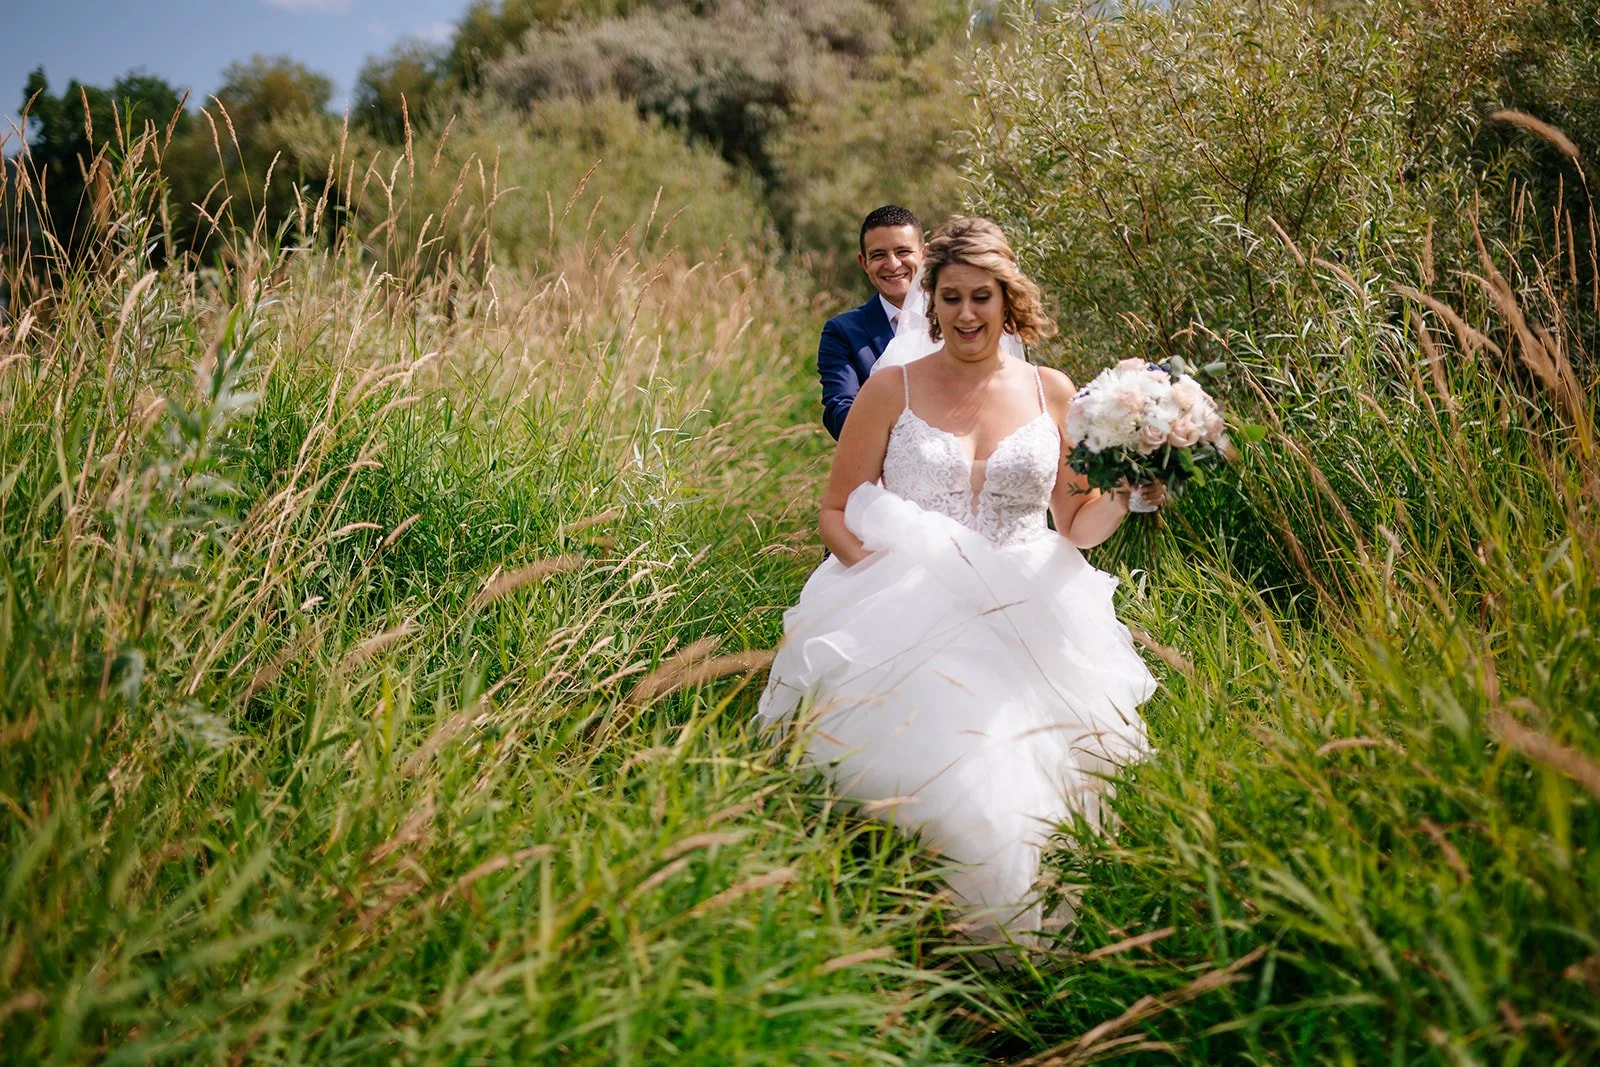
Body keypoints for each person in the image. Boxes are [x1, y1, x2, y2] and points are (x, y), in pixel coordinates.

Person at [760, 217, 1163, 943]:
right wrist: (884, 585)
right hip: (907, 600)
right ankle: (900, 925)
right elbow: (834, 510)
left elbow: (1074, 525)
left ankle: (1023, 938)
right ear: (931, 303)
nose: (967, 313)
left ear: (1009, 301)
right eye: (951, 297)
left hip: (1028, 600)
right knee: (945, 772)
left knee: (1036, 771)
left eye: (983, 296)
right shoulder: (892, 389)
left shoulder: (1053, 391)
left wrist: (1132, 495)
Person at [817, 205, 924, 440]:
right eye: (878, 255)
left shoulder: (957, 320)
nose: (893, 264)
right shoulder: (842, 332)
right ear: (864, 263)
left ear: (924, 255)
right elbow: (839, 411)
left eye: (903, 251)